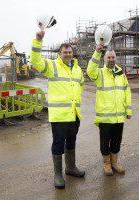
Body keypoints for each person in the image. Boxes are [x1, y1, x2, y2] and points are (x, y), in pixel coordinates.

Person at [30, 31, 85, 189]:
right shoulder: (52, 65)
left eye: (70, 52)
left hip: (74, 114)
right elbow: (35, 60)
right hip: (59, 116)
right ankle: (58, 174)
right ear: (59, 54)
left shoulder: (77, 69)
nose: (68, 54)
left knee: (71, 142)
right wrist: (38, 41)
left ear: (72, 53)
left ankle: (70, 168)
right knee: (58, 144)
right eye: (64, 52)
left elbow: (79, 85)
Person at [87, 43, 132, 176]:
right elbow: (90, 71)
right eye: (109, 57)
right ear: (104, 59)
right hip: (105, 116)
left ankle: (115, 162)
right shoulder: (99, 73)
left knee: (117, 140)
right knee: (105, 141)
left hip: (119, 116)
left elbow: (127, 92)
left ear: (115, 58)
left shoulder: (121, 74)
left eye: (113, 57)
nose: (111, 60)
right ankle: (106, 163)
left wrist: (128, 110)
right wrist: (96, 52)